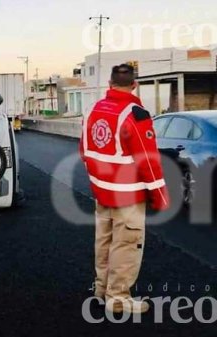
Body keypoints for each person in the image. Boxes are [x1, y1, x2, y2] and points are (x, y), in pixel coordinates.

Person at [79, 64, 170, 314]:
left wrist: (98, 180)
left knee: (104, 240)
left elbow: (85, 152)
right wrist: (159, 195)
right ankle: (118, 298)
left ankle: (101, 288)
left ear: (109, 84)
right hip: (127, 194)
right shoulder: (135, 114)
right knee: (127, 243)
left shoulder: (92, 110)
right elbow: (148, 161)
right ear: (134, 85)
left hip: (102, 192)